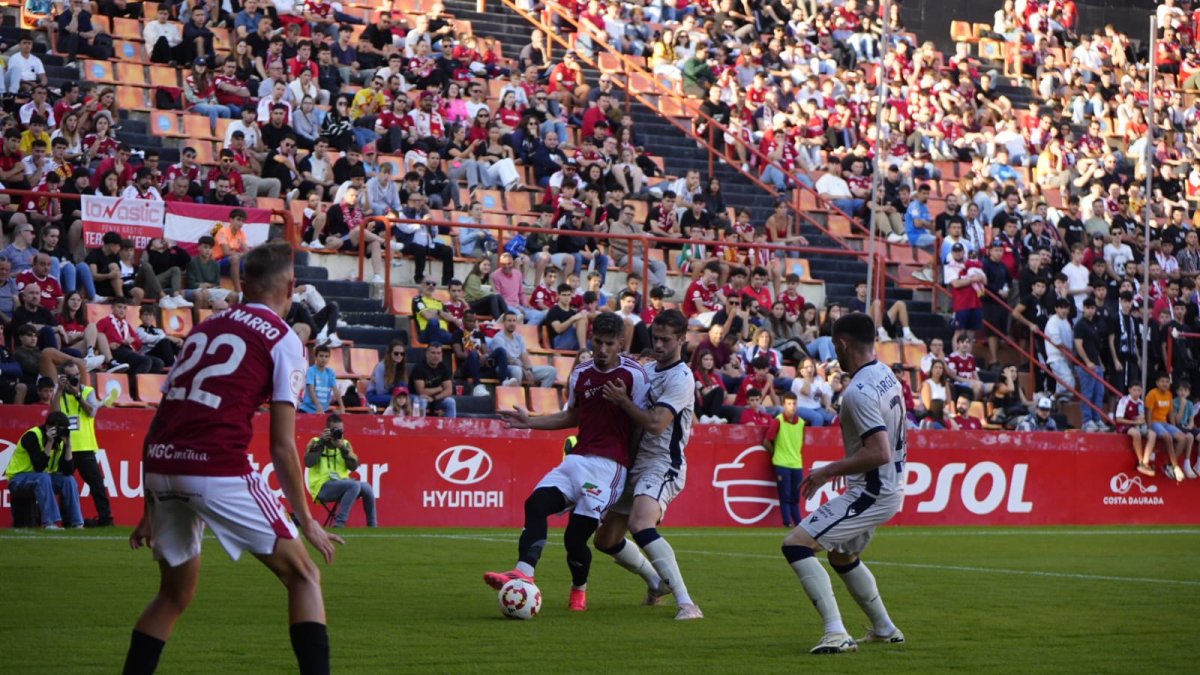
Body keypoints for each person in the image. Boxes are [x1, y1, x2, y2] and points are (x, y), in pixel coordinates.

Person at [124, 241, 343, 675]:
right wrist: (306, 519)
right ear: (292, 287)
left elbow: (161, 420)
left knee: (172, 596)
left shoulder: (204, 329)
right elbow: (281, 445)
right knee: (303, 576)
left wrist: (151, 505)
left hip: (163, 465)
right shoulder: (284, 339)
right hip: (216, 465)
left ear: (242, 284)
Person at [485, 313, 649, 612]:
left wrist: (636, 464)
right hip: (577, 460)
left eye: (608, 344)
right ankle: (524, 573)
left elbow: (643, 423)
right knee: (535, 504)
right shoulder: (581, 374)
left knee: (575, 540)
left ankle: (579, 589)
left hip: (610, 468)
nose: (601, 349)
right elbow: (572, 416)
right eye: (597, 342)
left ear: (621, 344)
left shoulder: (634, 375)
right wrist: (529, 422)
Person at [780, 312, 906, 654]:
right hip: (887, 486)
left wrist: (826, 472)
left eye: (835, 346)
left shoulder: (858, 392)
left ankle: (836, 632)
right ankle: (884, 628)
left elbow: (878, 452)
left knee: (796, 545)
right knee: (841, 557)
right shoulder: (887, 375)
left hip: (871, 490)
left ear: (842, 344)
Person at [594, 310, 703, 620]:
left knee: (641, 523)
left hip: (663, 463)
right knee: (605, 540)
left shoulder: (682, 378)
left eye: (665, 340)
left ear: (682, 340)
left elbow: (657, 424)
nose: (658, 344)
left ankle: (686, 603)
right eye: (655, 337)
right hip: (634, 463)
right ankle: (656, 582)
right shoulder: (647, 371)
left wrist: (624, 402)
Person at [53, 360, 111, 526]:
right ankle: (67, 520)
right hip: (65, 448)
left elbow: (92, 412)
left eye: (77, 375)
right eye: (70, 376)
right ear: (63, 376)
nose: (74, 379)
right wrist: (59, 391)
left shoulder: (88, 391)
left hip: (85, 447)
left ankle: (106, 519)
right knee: (66, 486)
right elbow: (53, 416)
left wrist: (77, 394)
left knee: (97, 485)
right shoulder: (59, 393)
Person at [5, 411, 83, 529]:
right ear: (49, 427)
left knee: (68, 480)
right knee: (43, 477)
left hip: (41, 479)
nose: (60, 434)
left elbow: (68, 471)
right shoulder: (32, 436)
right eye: (59, 430)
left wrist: (68, 445)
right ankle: (50, 523)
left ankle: (77, 523)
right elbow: (39, 467)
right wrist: (49, 442)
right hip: (18, 480)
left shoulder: (61, 442)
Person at [305, 414, 377, 528]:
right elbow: (308, 462)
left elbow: (353, 466)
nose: (339, 433)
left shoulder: (345, 444)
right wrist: (321, 443)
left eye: (341, 430)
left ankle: (372, 525)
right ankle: (340, 523)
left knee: (366, 487)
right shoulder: (315, 441)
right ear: (327, 430)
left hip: (342, 483)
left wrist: (342, 448)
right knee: (354, 485)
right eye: (335, 430)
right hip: (322, 486)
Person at [764, 392, 806, 528]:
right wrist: (776, 453)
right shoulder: (778, 420)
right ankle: (787, 522)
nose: (792, 407)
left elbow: (802, 442)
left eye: (794, 403)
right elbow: (767, 441)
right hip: (782, 463)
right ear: (784, 405)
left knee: (795, 496)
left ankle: (798, 523)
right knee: (785, 495)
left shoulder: (801, 423)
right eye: (789, 404)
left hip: (796, 463)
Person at [1114, 382, 1156, 477]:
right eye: (1134, 390)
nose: (1136, 392)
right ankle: (1140, 461)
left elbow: (1141, 417)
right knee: (1136, 434)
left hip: (1137, 425)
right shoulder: (1124, 401)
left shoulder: (1141, 402)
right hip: (1124, 425)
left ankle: (1145, 462)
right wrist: (1134, 422)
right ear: (1130, 390)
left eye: (1138, 390)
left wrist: (1140, 419)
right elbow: (1119, 419)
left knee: (1152, 434)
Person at [409, 342, 456, 418]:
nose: (436, 356)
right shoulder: (419, 368)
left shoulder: (444, 367)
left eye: (438, 353)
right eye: (433, 353)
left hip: (435, 398)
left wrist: (434, 398)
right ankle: (420, 426)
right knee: (422, 401)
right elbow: (421, 392)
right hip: (416, 397)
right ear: (427, 354)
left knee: (451, 402)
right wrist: (439, 388)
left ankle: (449, 428)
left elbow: (449, 390)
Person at [299, 344, 344, 414]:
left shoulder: (330, 372)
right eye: (321, 356)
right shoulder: (311, 370)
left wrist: (342, 407)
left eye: (326, 356)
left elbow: (335, 390)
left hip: (323, 410)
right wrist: (318, 405)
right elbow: (311, 390)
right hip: (307, 409)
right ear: (315, 357)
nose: (324, 358)